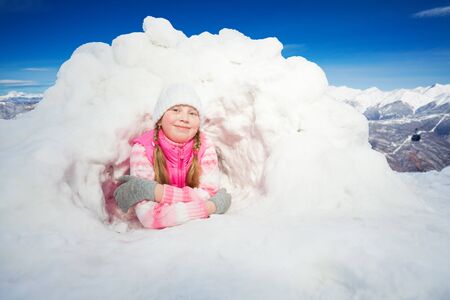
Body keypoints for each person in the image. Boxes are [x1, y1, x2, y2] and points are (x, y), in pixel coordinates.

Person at [114, 84, 232, 229]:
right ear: (160, 118)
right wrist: (210, 207)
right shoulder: (143, 149)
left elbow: (208, 192)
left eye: (192, 113)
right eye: (176, 110)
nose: (184, 118)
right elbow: (148, 217)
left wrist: (154, 191)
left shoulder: (205, 146)